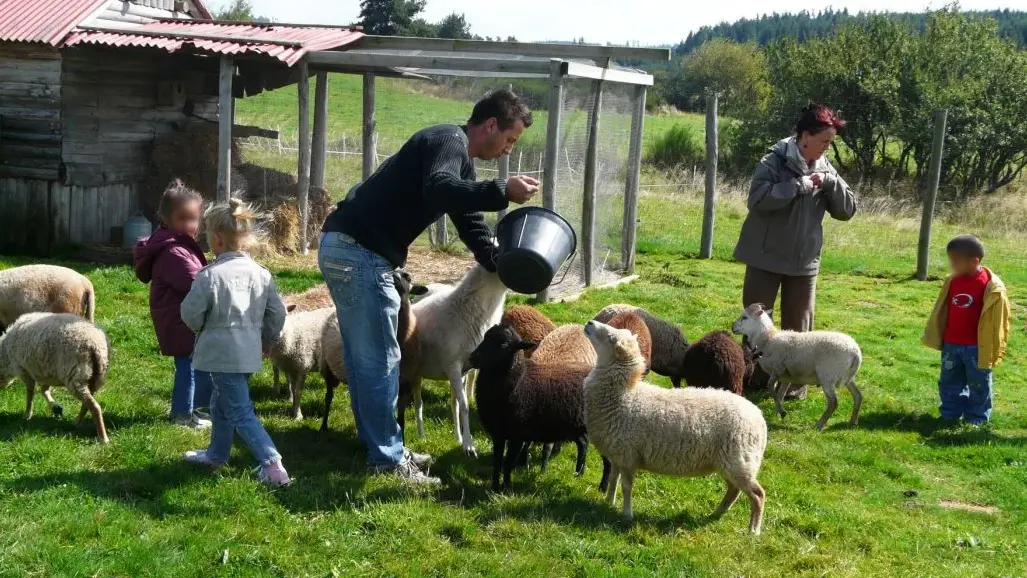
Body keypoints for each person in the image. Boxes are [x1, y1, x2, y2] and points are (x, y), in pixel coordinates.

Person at [319, 89, 539, 485]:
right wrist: (502, 191)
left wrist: (505, 264)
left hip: (355, 250)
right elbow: (440, 188)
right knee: (381, 359)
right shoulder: (447, 142)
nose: (508, 151)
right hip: (358, 253)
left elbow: (470, 224)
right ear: (490, 125)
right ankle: (387, 458)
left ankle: (382, 446)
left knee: (369, 357)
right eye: (510, 139)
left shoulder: (457, 160)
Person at [733, 103, 857, 399]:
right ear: (805, 136)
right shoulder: (773, 161)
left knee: (799, 327)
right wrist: (797, 186)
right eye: (824, 140)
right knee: (757, 321)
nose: (828, 147)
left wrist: (831, 183)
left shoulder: (826, 167)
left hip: (803, 262)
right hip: (765, 256)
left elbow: (848, 210)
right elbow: (758, 200)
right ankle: (750, 378)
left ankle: (793, 386)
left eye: (831, 142)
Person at [180, 199, 291, 487]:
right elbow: (277, 314)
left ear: (216, 239)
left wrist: (201, 328)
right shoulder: (262, 274)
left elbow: (190, 313)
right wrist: (267, 341)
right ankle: (217, 454)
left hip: (220, 354)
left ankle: (273, 465)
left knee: (240, 410)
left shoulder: (210, 276)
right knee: (221, 402)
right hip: (249, 352)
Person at [132, 179, 213, 430]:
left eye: (194, 219)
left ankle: (195, 411)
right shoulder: (174, 251)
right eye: (183, 218)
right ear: (166, 219)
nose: (190, 225)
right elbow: (194, 283)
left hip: (181, 317)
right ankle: (181, 415)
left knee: (193, 364)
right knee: (188, 367)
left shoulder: (177, 244)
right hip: (179, 319)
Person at [922, 235, 1010, 425]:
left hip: (977, 348)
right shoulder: (952, 281)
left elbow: (999, 322)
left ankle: (976, 419)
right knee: (949, 382)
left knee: (979, 385)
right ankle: (950, 414)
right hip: (951, 344)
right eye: (950, 260)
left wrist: (995, 347)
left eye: (956, 261)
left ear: (974, 261)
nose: (952, 265)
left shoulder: (992, 287)